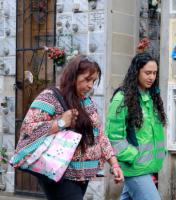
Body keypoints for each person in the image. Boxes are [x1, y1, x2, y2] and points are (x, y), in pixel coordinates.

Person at [11, 55, 124, 200]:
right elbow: (28, 128)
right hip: (60, 173)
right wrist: (60, 123)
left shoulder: (87, 102)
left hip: (82, 175)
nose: (90, 85)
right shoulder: (50, 97)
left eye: (93, 81)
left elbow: (99, 135)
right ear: (73, 76)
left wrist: (114, 164)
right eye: (87, 79)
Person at [106, 52, 167, 200]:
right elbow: (113, 136)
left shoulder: (151, 96)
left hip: (147, 166)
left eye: (154, 73)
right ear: (136, 72)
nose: (151, 77)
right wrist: (133, 156)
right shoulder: (122, 98)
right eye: (147, 73)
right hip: (135, 167)